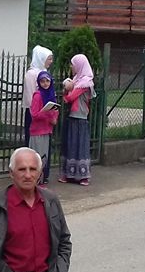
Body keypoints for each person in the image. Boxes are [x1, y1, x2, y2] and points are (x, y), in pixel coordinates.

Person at [59, 54, 96, 186]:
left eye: (73, 64)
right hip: (72, 116)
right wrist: (67, 89)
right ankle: (69, 174)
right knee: (70, 144)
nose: (71, 66)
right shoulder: (76, 80)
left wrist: (67, 89)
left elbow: (70, 97)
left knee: (80, 145)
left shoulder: (85, 82)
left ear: (79, 65)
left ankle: (83, 175)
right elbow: (66, 93)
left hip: (80, 117)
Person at [28, 72, 59, 186]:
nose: (45, 84)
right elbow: (34, 114)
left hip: (47, 130)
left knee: (44, 157)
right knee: (37, 156)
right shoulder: (37, 96)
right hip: (37, 131)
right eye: (42, 81)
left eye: (47, 81)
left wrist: (54, 118)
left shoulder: (51, 94)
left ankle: (40, 179)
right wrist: (47, 114)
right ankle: (34, 180)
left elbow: (55, 110)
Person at [22, 45, 53, 146]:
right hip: (34, 112)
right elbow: (30, 96)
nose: (51, 61)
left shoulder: (44, 72)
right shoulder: (31, 74)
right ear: (41, 58)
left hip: (46, 112)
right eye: (49, 59)